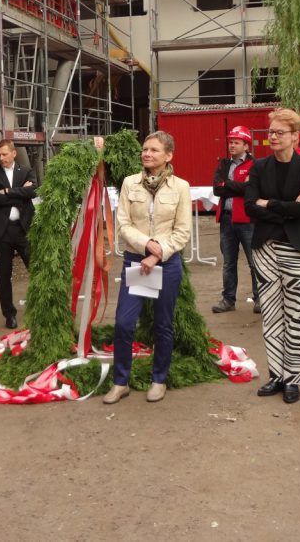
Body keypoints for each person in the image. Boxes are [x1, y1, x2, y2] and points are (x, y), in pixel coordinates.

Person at [103, 131, 191, 404]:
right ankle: (121, 382)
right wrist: (147, 246)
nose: (147, 154)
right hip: (137, 263)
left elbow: (183, 230)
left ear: (168, 156)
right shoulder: (131, 183)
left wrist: (158, 254)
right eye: (145, 149)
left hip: (165, 264)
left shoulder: (180, 187)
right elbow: (123, 225)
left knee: (163, 324)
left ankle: (159, 379)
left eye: (154, 150)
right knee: (124, 323)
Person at [244, 108, 300, 405]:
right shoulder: (259, 167)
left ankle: (294, 378)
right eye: (270, 132)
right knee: (272, 315)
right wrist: (287, 205)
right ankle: (276, 374)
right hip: (265, 248)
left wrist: (270, 203)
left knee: (296, 315)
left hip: (298, 250)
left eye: (279, 133)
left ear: (295, 137)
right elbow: (250, 206)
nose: (272, 137)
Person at [0, 140, 37, 329]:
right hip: (2, 232)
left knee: (36, 269)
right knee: (4, 275)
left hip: (23, 230)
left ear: (14, 153)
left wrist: (7, 191)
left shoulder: (26, 171)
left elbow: (33, 191)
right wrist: (20, 192)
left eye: (4, 154)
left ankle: (39, 308)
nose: (1, 158)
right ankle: (9, 314)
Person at [211, 125, 260, 314]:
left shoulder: (254, 165)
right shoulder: (223, 164)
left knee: (254, 262)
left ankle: (259, 299)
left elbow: (252, 188)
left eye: (236, 142)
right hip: (226, 220)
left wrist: (228, 185)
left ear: (246, 146)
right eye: (230, 142)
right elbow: (217, 188)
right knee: (228, 263)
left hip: (247, 220)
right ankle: (228, 299)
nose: (231, 145)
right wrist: (239, 185)